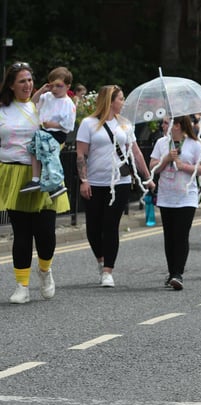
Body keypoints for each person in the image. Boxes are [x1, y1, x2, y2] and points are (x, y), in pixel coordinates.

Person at [0, 62, 71, 304]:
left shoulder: (41, 105)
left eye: (30, 80)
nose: (28, 85)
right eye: (22, 81)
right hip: (14, 174)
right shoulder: (2, 109)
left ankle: (45, 270)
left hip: (45, 175)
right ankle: (22, 285)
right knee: (21, 233)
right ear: (11, 84)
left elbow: (62, 129)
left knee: (45, 232)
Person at [76, 85, 154, 288]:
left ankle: (108, 270)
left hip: (119, 182)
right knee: (94, 228)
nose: (123, 102)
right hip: (94, 182)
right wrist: (83, 180)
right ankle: (101, 261)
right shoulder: (88, 124)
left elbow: (135, 153)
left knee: (110, 226)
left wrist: (147, 177)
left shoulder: (125, 124)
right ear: (110, 101)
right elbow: (81, 154)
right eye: (121, 99)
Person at [150, 116, 201, 290]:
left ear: (177, 125)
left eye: (166, 123)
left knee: (181, 235)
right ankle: (172, 272)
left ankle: (178, 274)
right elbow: (153, 166)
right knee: (169, 235)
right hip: (166, 194)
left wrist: (184, 166)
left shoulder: (194, 144)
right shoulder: (161, 143)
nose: (162, 125)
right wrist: (166, 159)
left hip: (187, 195)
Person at [20, 66, 76, 198]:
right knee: (33, 149)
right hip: (43, 131)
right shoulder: (47, 96)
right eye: (52, 86)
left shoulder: (68, 103)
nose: (55, 89)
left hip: (56, 133)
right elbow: (32, 103)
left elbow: (68, 125)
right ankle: (36, 179)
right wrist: (41, 90)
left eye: (59, 86)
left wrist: (52, 124)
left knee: (49, 155)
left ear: (68, 87)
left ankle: (55, 184)